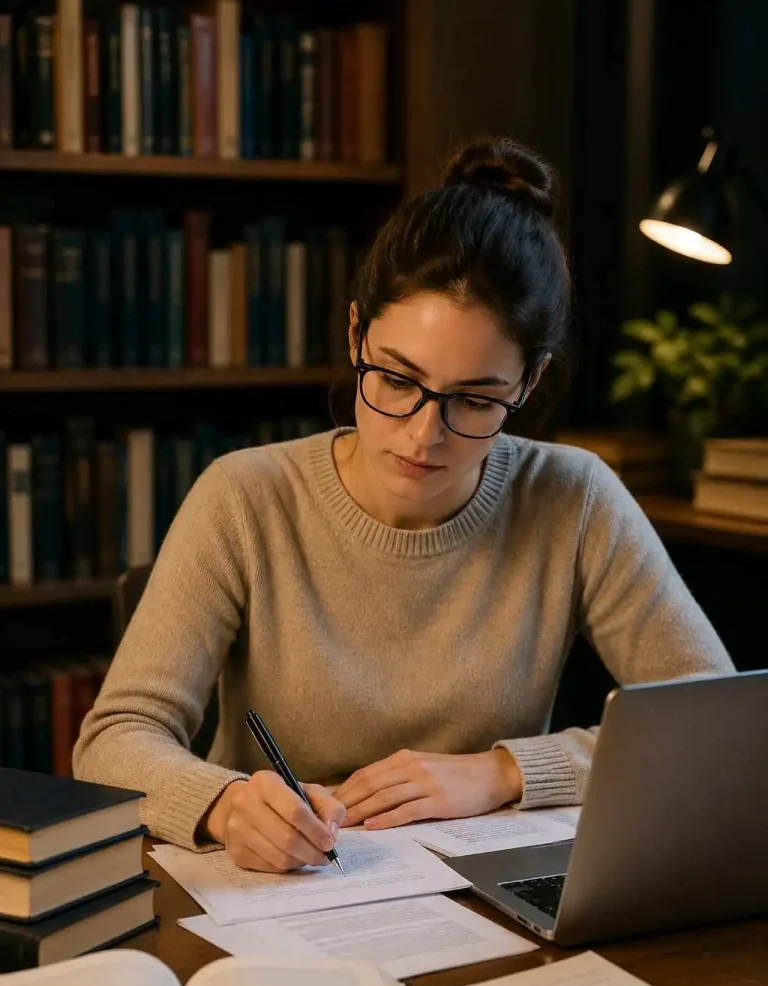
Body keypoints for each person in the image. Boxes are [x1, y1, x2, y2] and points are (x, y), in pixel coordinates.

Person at [73, 136, 733, 873]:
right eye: (395, 379)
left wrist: (504, 772)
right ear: (357, 333)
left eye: (477, 400)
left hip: (487, 905)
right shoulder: (246, 496)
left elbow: (715, 725)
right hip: (278, 900)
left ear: (530, 383)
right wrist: (224, 805)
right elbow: (113, 739)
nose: (424, 435)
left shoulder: (572, 498)